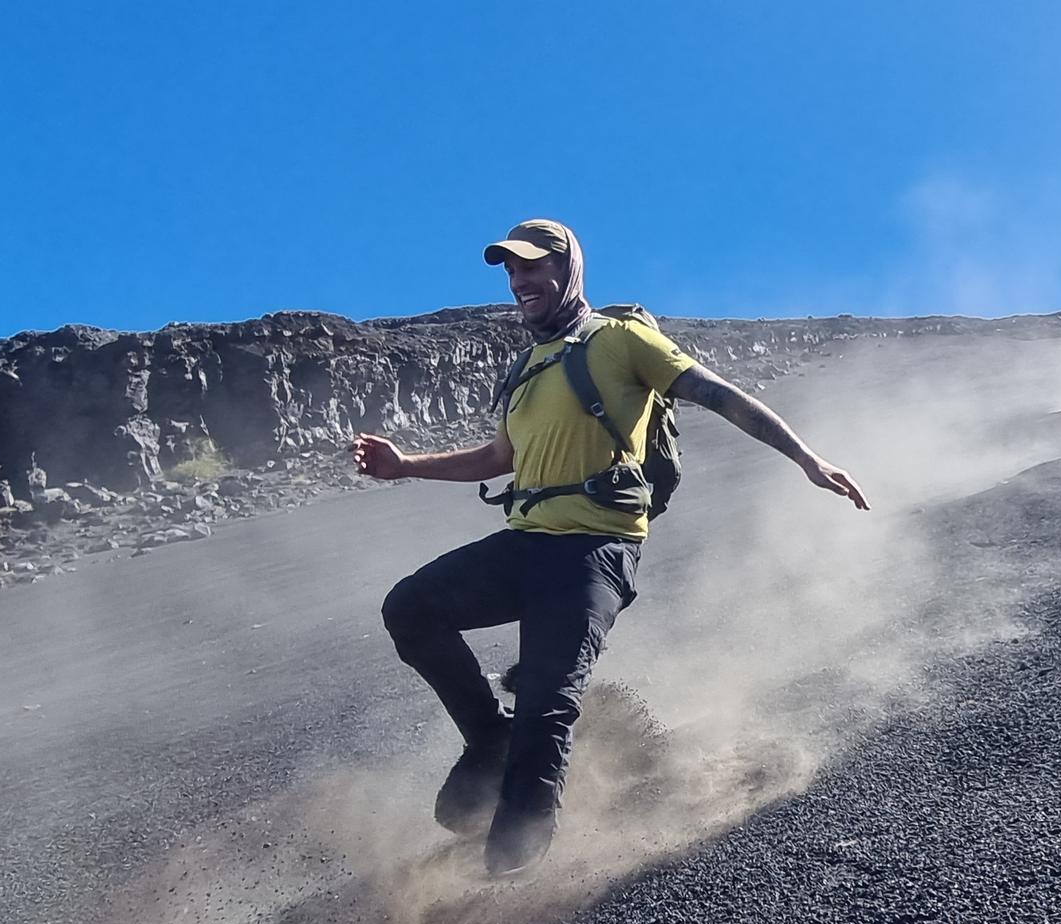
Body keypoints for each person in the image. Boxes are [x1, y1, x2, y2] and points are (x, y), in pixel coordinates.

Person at [354, 218, 870, 877]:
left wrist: (804, 456)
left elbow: (715, 393)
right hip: (527, 544)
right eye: (511, 271)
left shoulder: (622, 341)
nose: (520, 281)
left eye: (534, 267)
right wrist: (406, 467)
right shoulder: (523, 370)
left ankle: (509, 873)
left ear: (568, 269)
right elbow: (496, 457)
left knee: (547, 701)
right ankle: (489, 739)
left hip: (595, 551)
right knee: (412, 607)